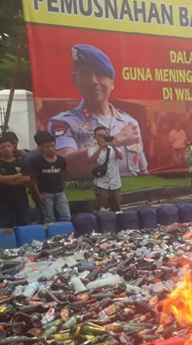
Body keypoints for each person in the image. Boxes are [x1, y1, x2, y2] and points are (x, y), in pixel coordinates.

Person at [48, 44, 147, 178]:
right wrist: (115, 140)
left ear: (112, 83)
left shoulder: (129, 123)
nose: (93, 81)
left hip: (129, 197)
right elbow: (65, 164)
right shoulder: (63, 123)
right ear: (75, 80)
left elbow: (142, 171)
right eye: (86, 75)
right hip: (91, 196)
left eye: (100, 74)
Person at [27, 131, 70, 223]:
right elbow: (33, 180)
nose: (51, 149)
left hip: (60, 192)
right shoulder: (36, 161)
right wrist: (38, 194)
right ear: (41, 148)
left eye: (53, 146)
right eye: (47, 147)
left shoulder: (61, 160)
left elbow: (63, 174)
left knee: (66, 216)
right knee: (49, 218)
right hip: (46, 194)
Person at [88, 126, 123, 211]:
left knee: (117, 208)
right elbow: (91, 160)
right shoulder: (92, 150)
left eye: (104, 135)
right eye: (100, 136)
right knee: (101, 209)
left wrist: (114, 146)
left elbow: (120, 157)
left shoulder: (113, 148)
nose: (103, 138)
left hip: (115, 183)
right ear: (95, 137)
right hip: (101, 184)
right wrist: (100, 147)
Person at [0, 133, 31, 227]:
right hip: (3, 201)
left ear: (13, 148)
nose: (6, 148)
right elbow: (1, 179)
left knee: (24, 223)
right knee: (6, 226)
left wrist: (9, 182)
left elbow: (27, 178)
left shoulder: (22, 162)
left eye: (8, 146)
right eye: (3, 147)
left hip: (21, 199)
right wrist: (18, 175)